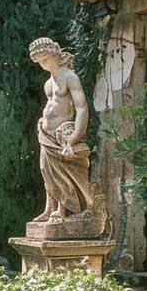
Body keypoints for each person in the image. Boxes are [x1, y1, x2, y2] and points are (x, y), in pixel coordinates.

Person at [29, 37, 96, 222]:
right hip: (46, 135)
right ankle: (49, 208)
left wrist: (75, 137)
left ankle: (63, 210)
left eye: (45, 58)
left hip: (63, 133)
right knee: (46, 170)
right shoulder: (48, 83)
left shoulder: (69, 77)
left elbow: (82, 108)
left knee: (61, 171)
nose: (43, 63)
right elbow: (51, 107)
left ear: (55, 55)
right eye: (39, 61)